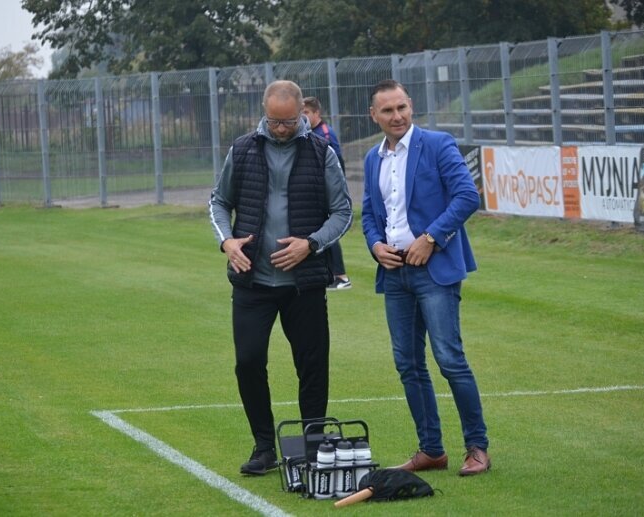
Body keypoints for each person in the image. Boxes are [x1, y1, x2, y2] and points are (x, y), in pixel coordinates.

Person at [209, 80, 353, 476]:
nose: (281, 129)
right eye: (274, 121)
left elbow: (342, 212)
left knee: (312, 364)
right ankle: (263, 447)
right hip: (253, 281)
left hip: (303, 284)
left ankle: (311, 444)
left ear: (302, 115)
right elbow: (219, 201)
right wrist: (228, 243)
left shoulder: (321, 151)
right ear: (264, 112)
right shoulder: (242, 148)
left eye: (289, 122)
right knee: (248, 361)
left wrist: (310, 244)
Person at [361, 79, 490, 476]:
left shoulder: (437, 144)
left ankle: (477, 448)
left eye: (401, 107)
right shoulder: (372, 158)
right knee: (408, 365)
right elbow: (369, 211)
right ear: (374, 115)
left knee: (450, 359)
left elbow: (467, 195)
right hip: (395, 272)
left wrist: (431, 238)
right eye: (387, 110)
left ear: (411, 106)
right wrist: (375, 245)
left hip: (433, 270)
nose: (396, 116)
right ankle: (431, 450)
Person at [302, 96, 352, 290]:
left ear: (316, 113)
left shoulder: (324, 134)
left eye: (306, 112)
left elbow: (334, 167)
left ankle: (341, 276)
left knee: (329, 231)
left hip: (327, 191)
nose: (302, 116)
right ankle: (331, 274)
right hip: (319, 189)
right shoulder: (312, 132)